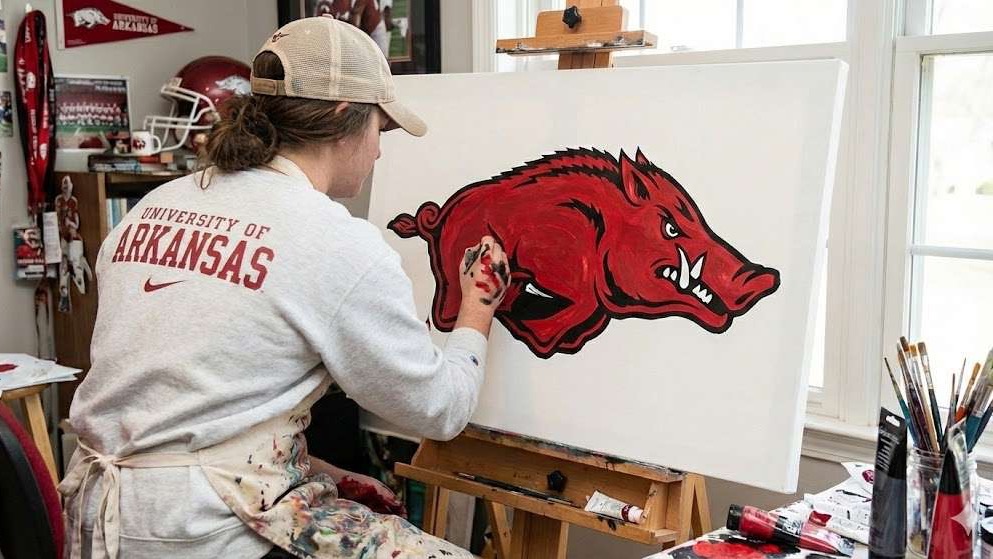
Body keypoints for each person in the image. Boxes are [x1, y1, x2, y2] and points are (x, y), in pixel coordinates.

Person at [59, 16, 510, 559]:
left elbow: (187, 407)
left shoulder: (155, 206)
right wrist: (476, 310)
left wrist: (315, 472)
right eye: (380, 130)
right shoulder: (335, 242)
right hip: (194, 531)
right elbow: (438, 409)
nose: (380, 153)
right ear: (345, 116)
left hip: (94, 514)